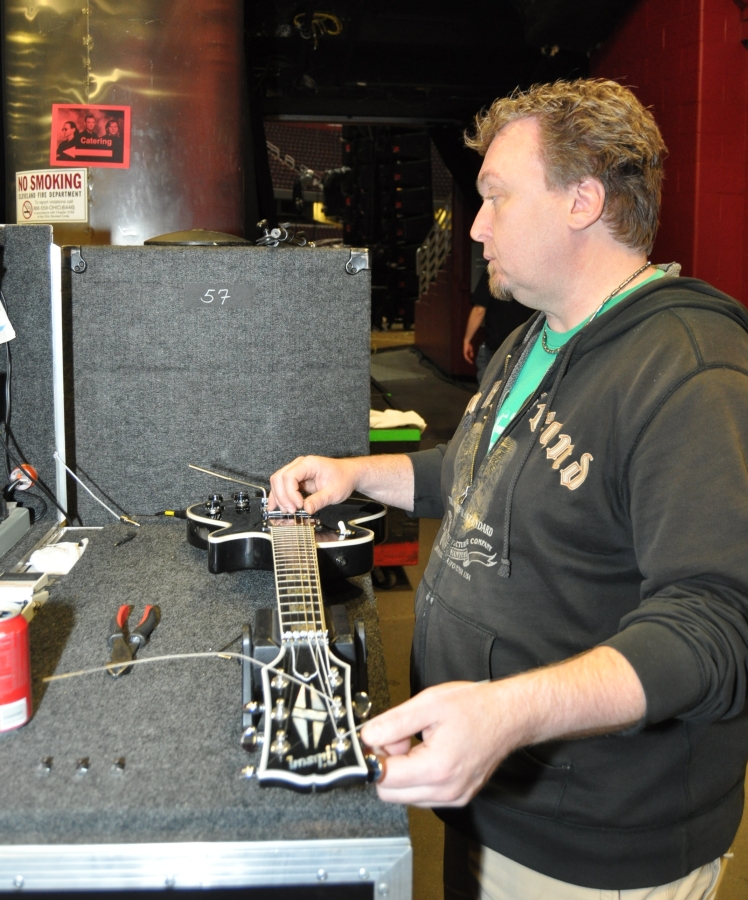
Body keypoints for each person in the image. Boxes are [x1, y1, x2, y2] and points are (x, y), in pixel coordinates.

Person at [269, 79, 748, 900]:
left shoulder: (690, 369)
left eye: (495, 196)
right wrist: (354, 474)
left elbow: (717, 629)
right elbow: (472, 474)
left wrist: (509, 713)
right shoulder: (534, 335)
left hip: (594, 844)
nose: (478, 225)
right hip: (491, 792)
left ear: (583, 201)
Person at [463, 268, 529, 383]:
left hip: (498, 346)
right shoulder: (531, 271)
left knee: (489, 392)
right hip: (527, 344)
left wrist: (467, 340)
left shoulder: (495, 269)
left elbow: (479, 310)